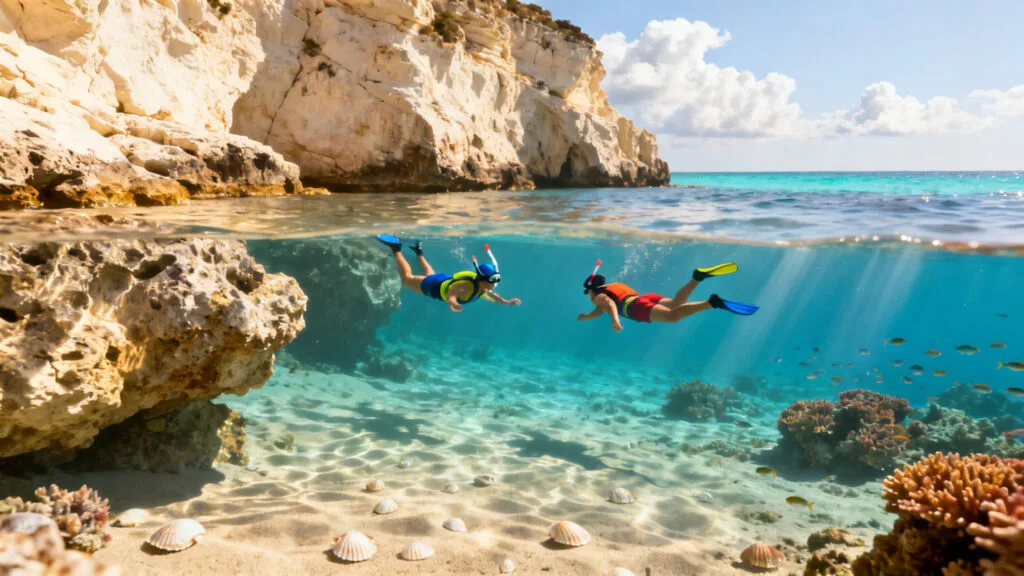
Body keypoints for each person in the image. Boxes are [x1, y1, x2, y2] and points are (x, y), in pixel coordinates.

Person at [577, 260, 757, 332]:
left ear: (592, 289)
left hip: (635, 308)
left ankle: (712, 303)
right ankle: (696, 278)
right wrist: (586, 317)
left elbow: (608, 304)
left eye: (587, 292)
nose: (588, 295)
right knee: (676, 303)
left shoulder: (599, 296)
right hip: (644, 298)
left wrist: (615, 321)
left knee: (672, 317)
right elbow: (600, 310)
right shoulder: (611, 287)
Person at [376, 234, 521, 312]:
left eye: (496, 279)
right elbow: (451, 294)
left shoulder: (482, 288)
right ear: (482, 279)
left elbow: (493, 297)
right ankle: (396, 249)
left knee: (429, 274)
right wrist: (453, 304)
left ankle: (418, 251)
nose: (495, 284)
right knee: (407, 278)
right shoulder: (466, 287)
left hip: (440, 280)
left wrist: (506, 302)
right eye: (492, 280)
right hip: (432, 287)